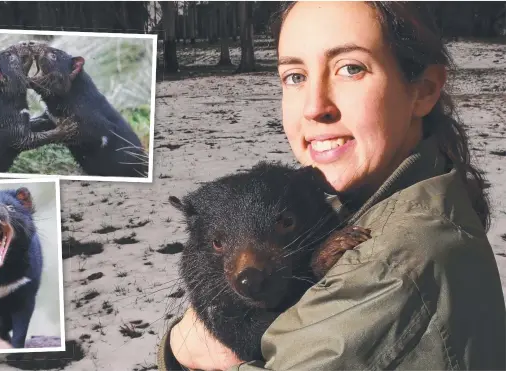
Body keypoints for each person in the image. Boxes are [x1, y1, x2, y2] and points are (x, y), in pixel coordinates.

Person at [156, 1, 506, 370]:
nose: (314, 106)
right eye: (295, 76)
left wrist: (185, 349)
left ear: (424, 89)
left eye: (350, 68)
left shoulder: (388, 270)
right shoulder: (402, 194)